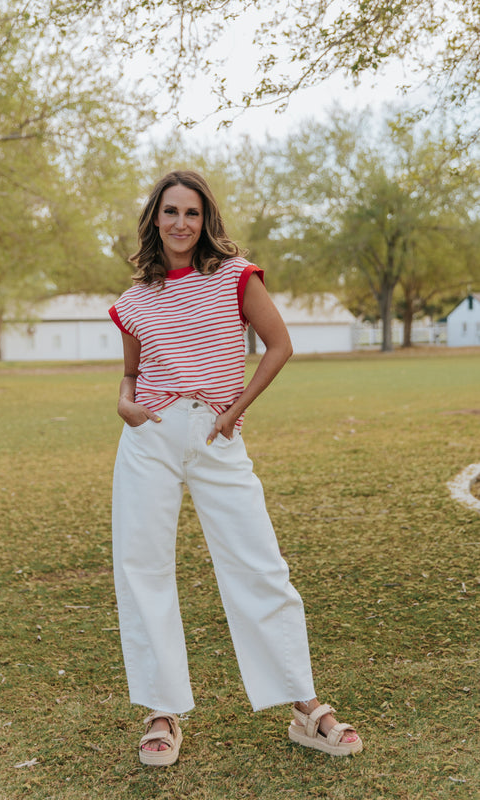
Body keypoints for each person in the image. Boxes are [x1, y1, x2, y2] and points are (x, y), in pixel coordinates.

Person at [108, 170, 362, 766]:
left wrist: (235, 413)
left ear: (205, 220)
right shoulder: (134, 299)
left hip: (217, 433)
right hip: (150, 437)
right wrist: (124, 401)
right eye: (169, 212)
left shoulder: (234, 276)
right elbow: (130, 373)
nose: (180, 223)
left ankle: (305, 707)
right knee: (142, 566)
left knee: (259, 564)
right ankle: (161, 711)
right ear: (154, 220)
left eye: (191, 213)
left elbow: (280, 345)